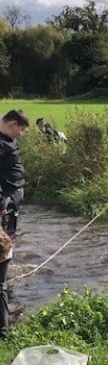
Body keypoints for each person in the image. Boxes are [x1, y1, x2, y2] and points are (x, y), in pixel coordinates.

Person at [0, 109, 29, 336]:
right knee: (4, 242)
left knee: (8, 239)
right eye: (20, 129)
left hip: (10, 201)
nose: (21, 133)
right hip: (4, 202)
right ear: (11, 124)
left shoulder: (6, 141)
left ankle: (7, 273)